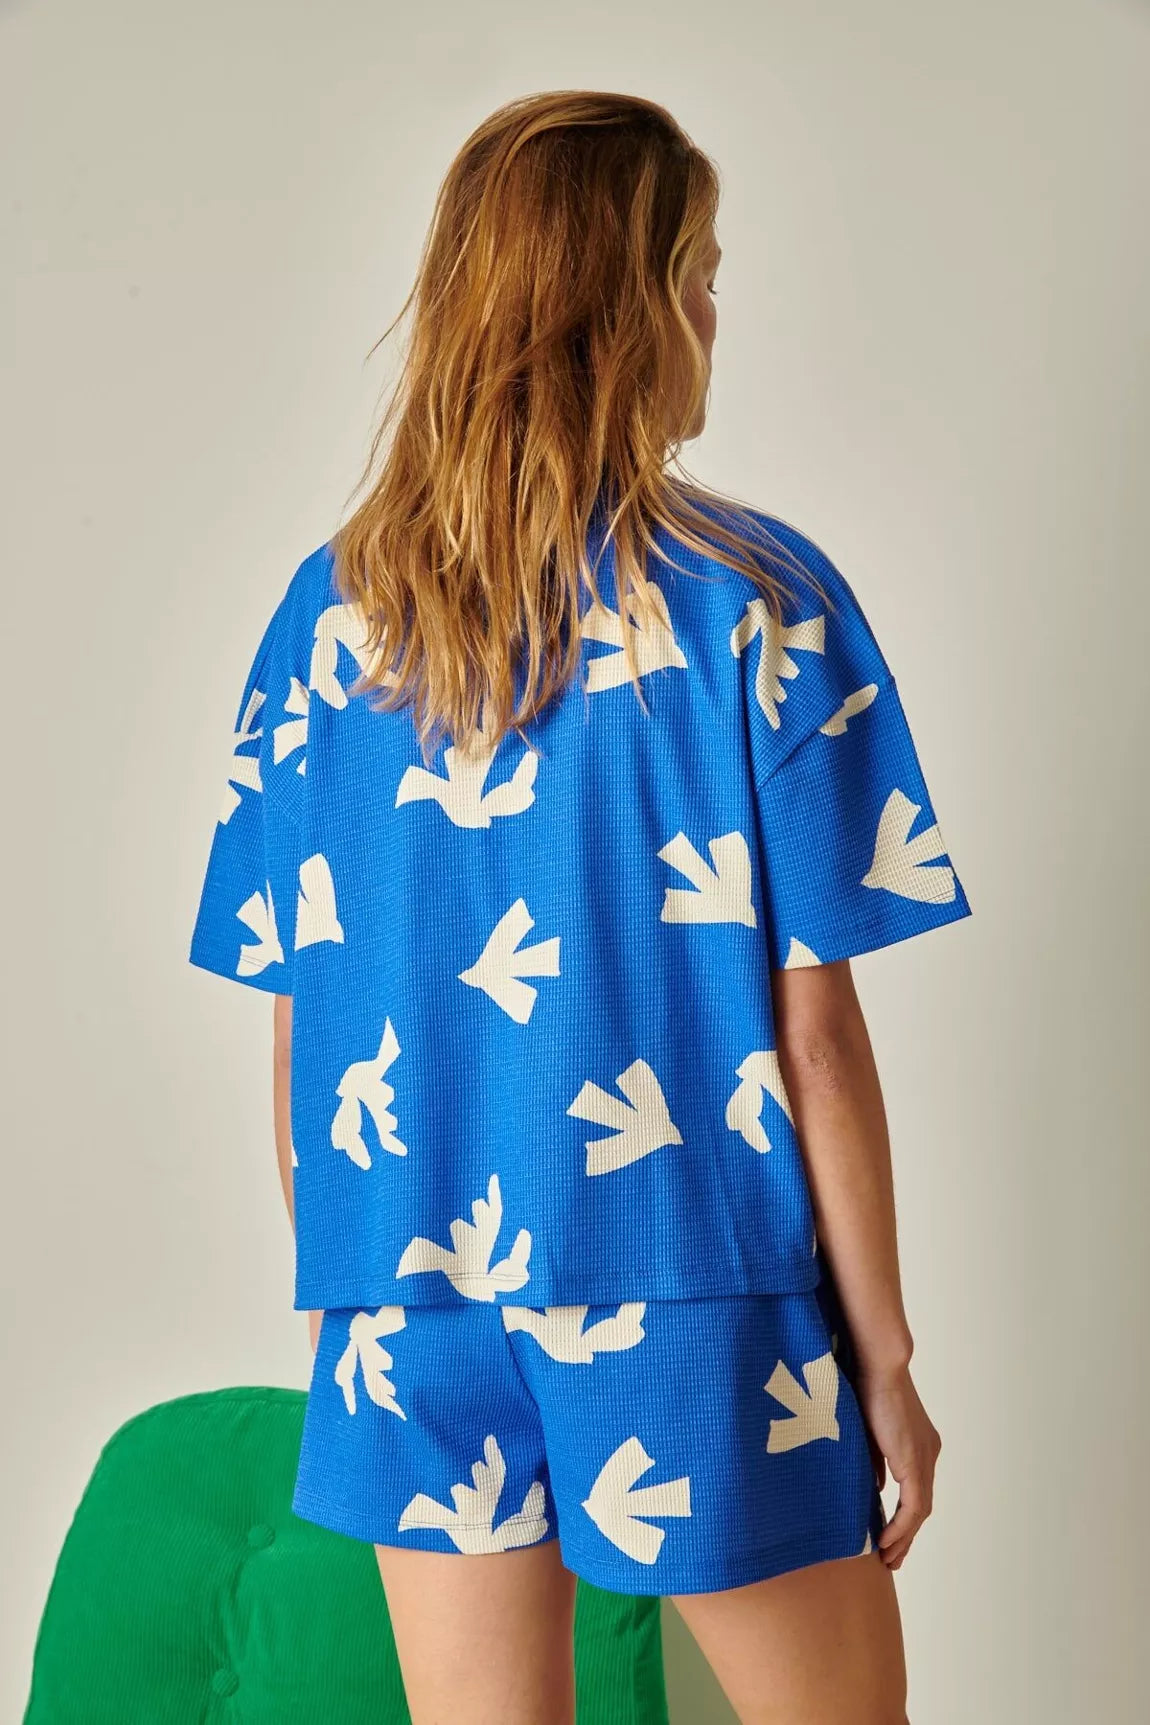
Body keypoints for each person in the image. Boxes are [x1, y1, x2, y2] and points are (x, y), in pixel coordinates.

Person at [188, 89, 972, 1725]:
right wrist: (885, 1358)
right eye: (698, 277)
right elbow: (813, 1038)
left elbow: (301, 1025)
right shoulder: (757, 601)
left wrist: (366, 1289)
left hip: (401, 1294)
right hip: (687, 1280)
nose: (714, 318)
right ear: (628, 310)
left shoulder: (328, 623)